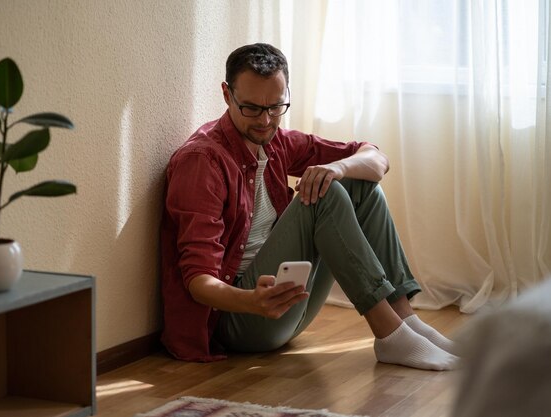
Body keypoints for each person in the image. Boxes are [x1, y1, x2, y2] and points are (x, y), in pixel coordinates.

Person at [160, 43, 459, 370]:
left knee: (360, 186)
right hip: (238, 320)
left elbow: (375, 157)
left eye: (276, 107)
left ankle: (406, 323)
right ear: (227, 95)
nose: (265, 120)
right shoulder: (203, 162)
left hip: (285, 308)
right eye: (251, 108)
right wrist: (251, 301)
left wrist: (339, 168)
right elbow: (197, 281)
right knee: (325, 197)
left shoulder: (277, 142)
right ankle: (391, 335)